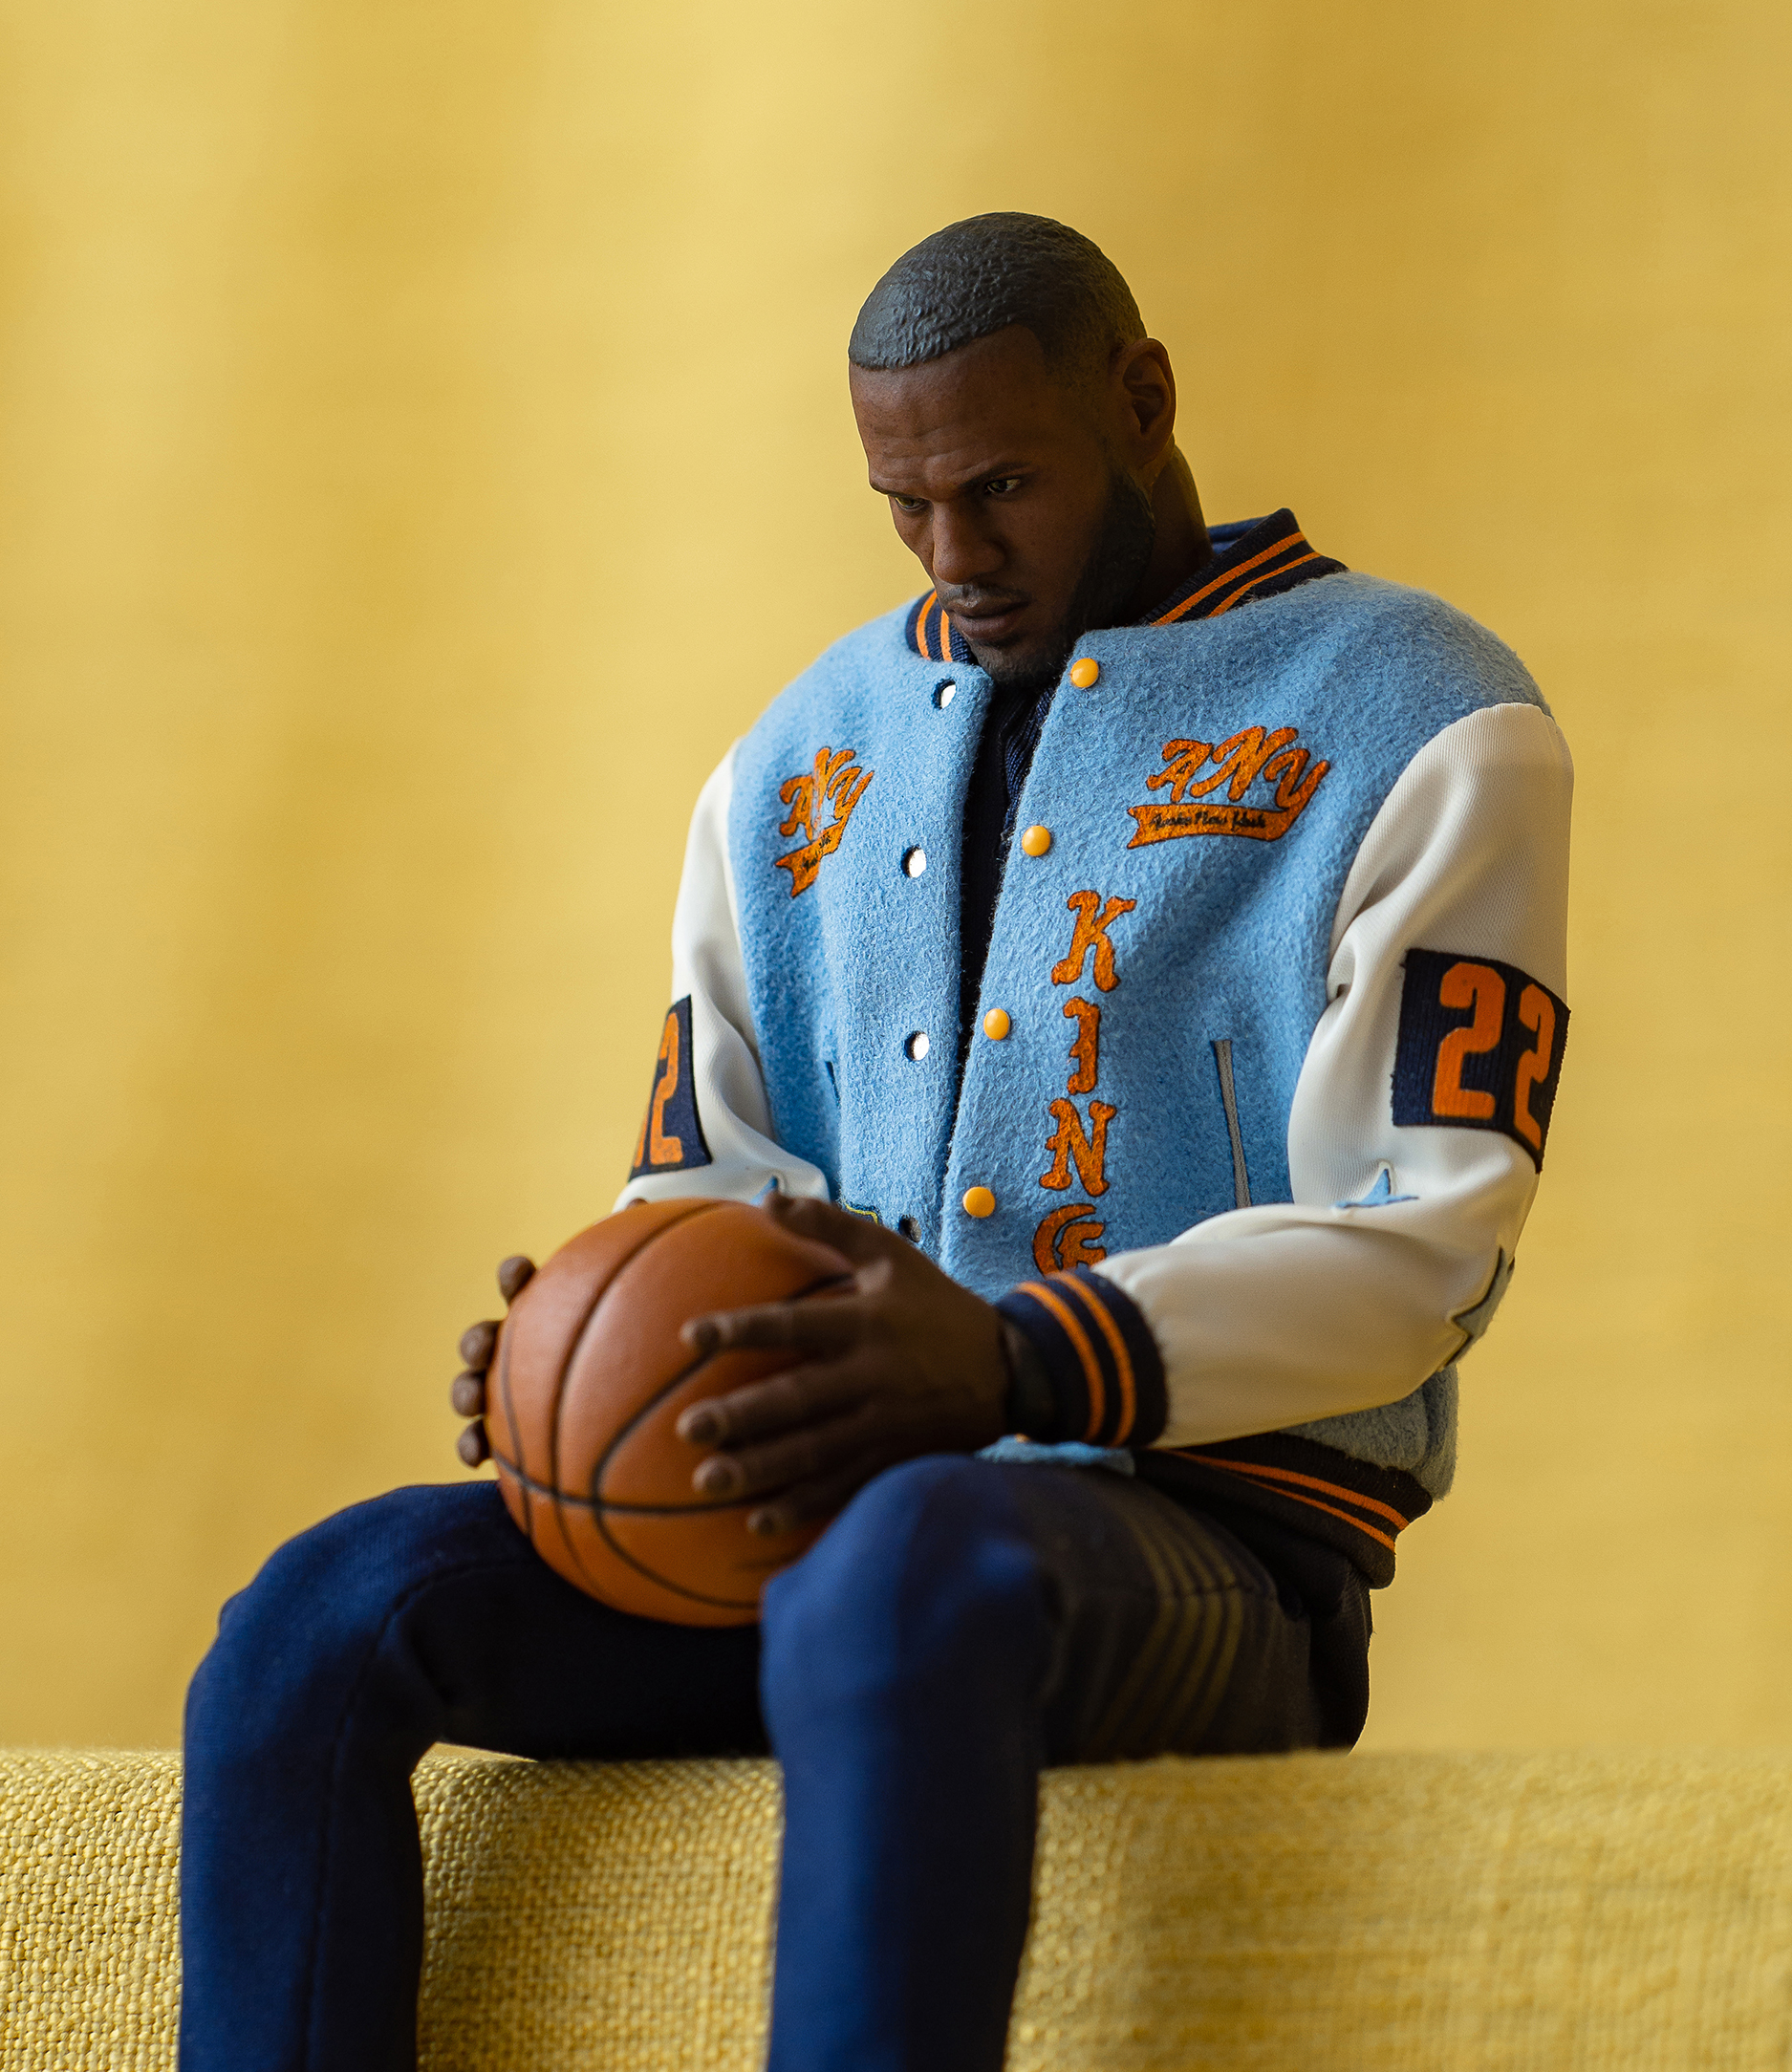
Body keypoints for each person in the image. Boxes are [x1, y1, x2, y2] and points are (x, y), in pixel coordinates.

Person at [178, 212, 1572, 2072]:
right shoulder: (796, 757)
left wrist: (1013, 1359)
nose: (952, 553)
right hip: (792, 1539)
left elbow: (1427, 1240)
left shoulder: (1421, 720)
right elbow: (707, 1182)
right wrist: (600, 1352)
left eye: (1001, 487)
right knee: (321, 1618)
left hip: (1211, 1552)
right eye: (902, 504)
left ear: (1142, 401)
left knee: (907, 1565)